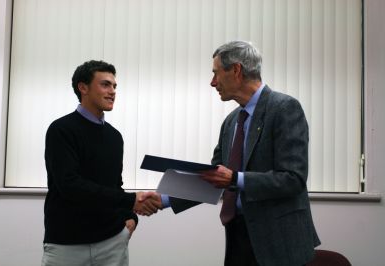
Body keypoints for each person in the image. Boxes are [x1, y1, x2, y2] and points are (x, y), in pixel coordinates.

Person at [148, 41, 321, 266]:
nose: (212, 82)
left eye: (216, 73)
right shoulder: (231, 122)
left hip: (279, 242)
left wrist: (234, 178)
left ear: (236, 70)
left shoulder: (284, 108)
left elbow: (293, 179)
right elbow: (214, 178)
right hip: (238, 236)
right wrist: (163, 199)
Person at [42, 60, 160, 266]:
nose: (113, 91)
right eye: (105, 84)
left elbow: (114, 185)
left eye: (114, 86)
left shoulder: (115, 136)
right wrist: (130, 200)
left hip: (113, 241)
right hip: (67, 245)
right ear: (83, 87)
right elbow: (70, 185)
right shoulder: (61, 130)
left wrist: (131, 218)